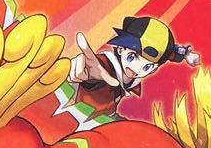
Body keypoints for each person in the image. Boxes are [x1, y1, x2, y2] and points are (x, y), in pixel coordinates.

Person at [68, 14, 200, 120]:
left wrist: (186, 54)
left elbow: (170, 53)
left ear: (153, 69)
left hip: (104, 118)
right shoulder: (105, 65)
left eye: (147, 66)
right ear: (120, 49)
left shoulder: (134, 78)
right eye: (132, 57)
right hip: (79, 115)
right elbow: (95, 68)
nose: (136, 68)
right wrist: (88, 77)